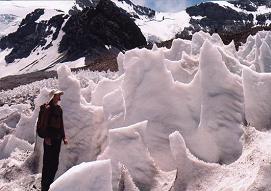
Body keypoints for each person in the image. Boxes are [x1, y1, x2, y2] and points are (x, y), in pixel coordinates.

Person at [41, 89, 68, 191]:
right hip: (49, 141)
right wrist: (46, 137)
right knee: (47, 163)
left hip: (57, 140)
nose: (59, 97)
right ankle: (44, 186)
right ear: (53, 96)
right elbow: (44, 124)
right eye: (58, 95)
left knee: (54, 163)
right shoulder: (48, 109)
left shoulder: (59, 109)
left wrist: (64, 137)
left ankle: (50, 184)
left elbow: (61, 125)